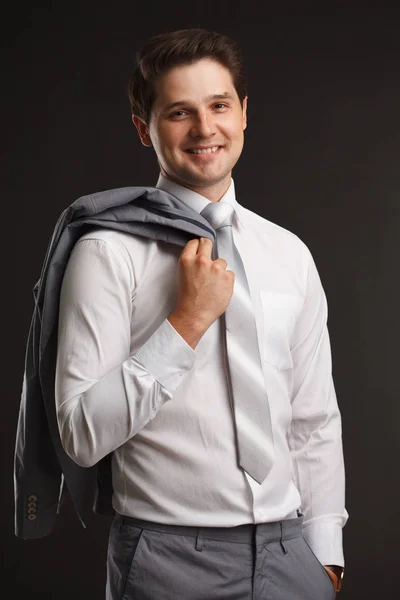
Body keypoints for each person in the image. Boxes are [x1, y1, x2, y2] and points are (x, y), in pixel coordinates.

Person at [54, 28, 348, 599]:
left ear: (243, 112)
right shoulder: (107, 253)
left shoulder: (289, 253)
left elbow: (314, 420)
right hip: (168, 563)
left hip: (292, 559)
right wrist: (185, 323)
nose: (205, 128)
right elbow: (80, 435)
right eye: (179, 113)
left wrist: (326, 558)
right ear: (144, 129)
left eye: (218, 106)